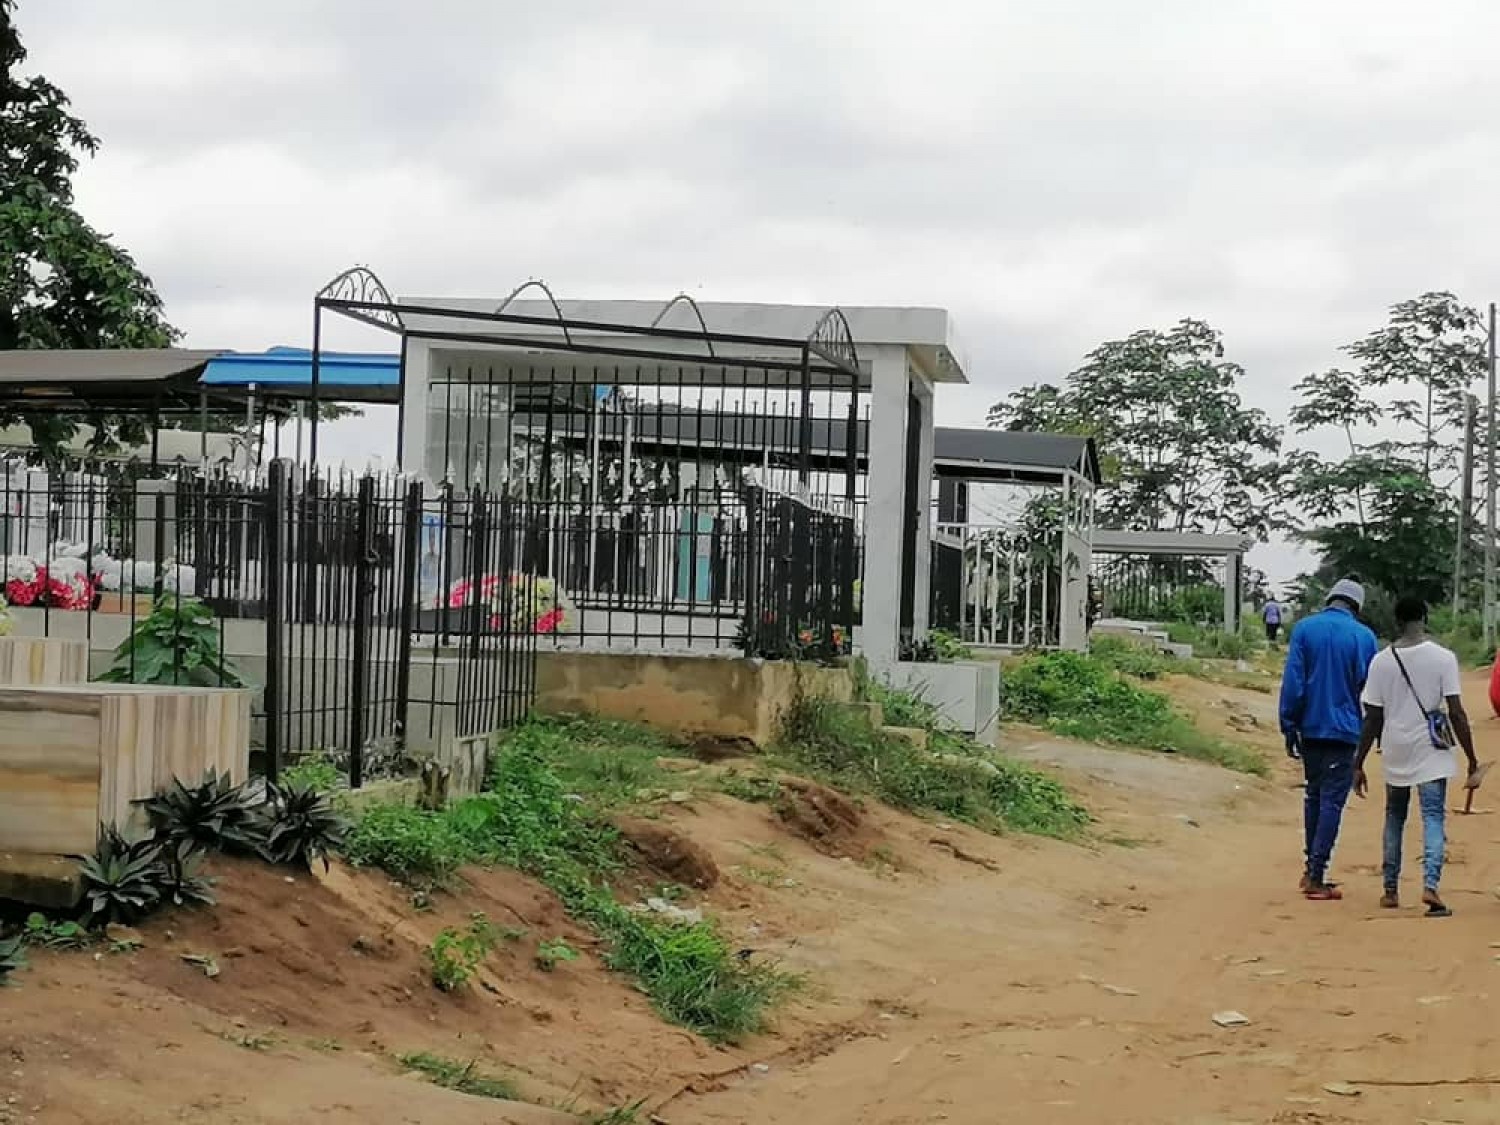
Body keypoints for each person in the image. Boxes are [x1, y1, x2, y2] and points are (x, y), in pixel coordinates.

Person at [1354, 595, 1479, 917]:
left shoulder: (1382, 661)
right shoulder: (1443, 658)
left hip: (1395, 747)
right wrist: (1472, 758)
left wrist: (1358, 762)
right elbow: (1456, 712)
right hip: (1431, 748)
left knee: (1395, 815)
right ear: (1424, 617)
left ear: (1396, 620)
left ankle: (1390, 890)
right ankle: (1431, 886)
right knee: (1433, 816)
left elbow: (1373, 718)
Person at [1278, 578, 1379, 900]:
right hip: (1346, 729)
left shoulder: (1305, 629)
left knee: (1314, 795)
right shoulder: (1364, 637)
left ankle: (1312, 866)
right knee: (1332, 801)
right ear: (1356, 605)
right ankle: (1316, 874)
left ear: (1331, 598)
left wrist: (1288, 723)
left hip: (1310, 726)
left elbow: (1293, 681)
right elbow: (1370, 688)